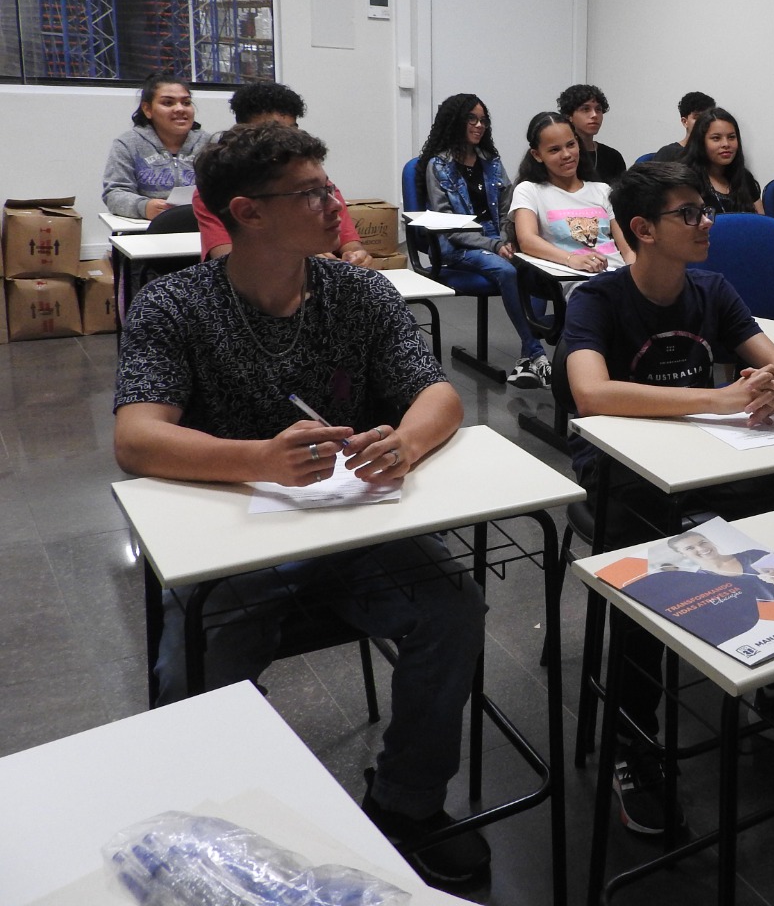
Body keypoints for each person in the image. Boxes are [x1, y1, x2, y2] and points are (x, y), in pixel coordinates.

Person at [112, 123, 489, 888]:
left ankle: (404, 805)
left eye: (329, 186)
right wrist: (259, 460)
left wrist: (405, 444)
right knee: (199, 651)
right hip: (236, 539)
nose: (336, 205)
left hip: (355, 523)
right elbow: (136, 437)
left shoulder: (356, 291)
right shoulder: (178, 305)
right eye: (313, 193)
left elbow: (438, 394)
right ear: (248, 213)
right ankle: (198, 823)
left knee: (452, 606)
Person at [563, 161, 774, 834]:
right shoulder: (595, 302)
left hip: (706, 462)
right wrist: (718, 399)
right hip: (622, 471)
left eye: (703, 210)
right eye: (688, 214)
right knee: (648, 561)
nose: (705, 222)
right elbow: (592, 394)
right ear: (643, 230)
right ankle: (633, 738)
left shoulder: (712, 289)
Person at [419, 93, 546, 388]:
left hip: (495, 239)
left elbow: (506, 209)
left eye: (483, 120)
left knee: (537, 264)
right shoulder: (438, 166)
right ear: (455, 122)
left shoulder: (491, 161)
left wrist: (505, 239)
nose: (479, 126)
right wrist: (493, 246)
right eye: (472, 119)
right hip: (458, 245)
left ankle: (535, 347)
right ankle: (535, 351)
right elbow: (447, 226)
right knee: (506, 270)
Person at [193, 81, 370, 265]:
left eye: (291, 130)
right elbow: (228, 261)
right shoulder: (220, 189)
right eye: (272, 132)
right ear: (244, 134)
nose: (285, 140)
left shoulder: (319, 184)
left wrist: (356, 256)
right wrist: (302, 256)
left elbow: (351, 244)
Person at [510, 111, 634, 274]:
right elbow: (527, 240)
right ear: (537, 155)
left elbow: (628, 247)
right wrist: (571, 259)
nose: (567, 155)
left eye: (570, 145)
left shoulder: (602, 190)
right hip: (575, 279)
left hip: (617, 275)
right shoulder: (529, 191)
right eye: (555, 150)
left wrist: (635, 276)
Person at [102, 73, 208, 220]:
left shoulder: (211, 144)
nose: (180, 109)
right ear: (147, 110)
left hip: (201, 228)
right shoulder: (128, 144)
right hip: (145, 230)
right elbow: (114, 194)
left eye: (186, 102)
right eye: (168, 103)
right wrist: (144, 207)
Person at [682, 106, 761, 214]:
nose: (726, 144)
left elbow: (762, 224)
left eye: (731, 137)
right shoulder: (686, 181)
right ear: (700, 142)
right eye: (716, 138)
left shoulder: (744, 177)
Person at [558, 83, 626, 184]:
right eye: (586, 109)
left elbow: (622, 196)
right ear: (569, 116)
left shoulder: (613, 157)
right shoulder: (561, 155)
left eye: (598, 109)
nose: (594, 115)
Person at [650, 90, 714, 164]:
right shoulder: (668, 153)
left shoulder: (717, 153)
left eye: (708, 117)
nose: (704, 121)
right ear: (684, 121)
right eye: (697, 117)